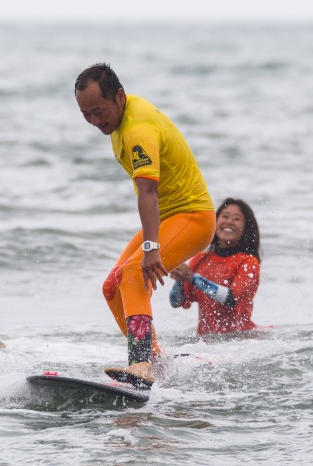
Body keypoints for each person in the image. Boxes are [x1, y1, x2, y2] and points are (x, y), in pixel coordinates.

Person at [74, 63, 216, 387]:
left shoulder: (137, 128)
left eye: (99, 111)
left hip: (191, 216)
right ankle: (155, 361)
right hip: (169, 217)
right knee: (112, 286)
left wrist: (153, 248)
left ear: (120, 96)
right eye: (86, 115)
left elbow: (147, 191)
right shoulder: (119, 118)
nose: (95, 122)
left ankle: (140, 365)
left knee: (135, 272)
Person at [169, 198, 261, 335]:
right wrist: (179, 281)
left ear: (246, 228)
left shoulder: (249, 262)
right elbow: (176, 302)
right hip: (206, 342)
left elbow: (230, 299)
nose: (229, 221)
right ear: (215, 222)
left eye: (236, 218)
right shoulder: (200, 259)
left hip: (240, 340)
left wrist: (192, 277)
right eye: (224, 216)